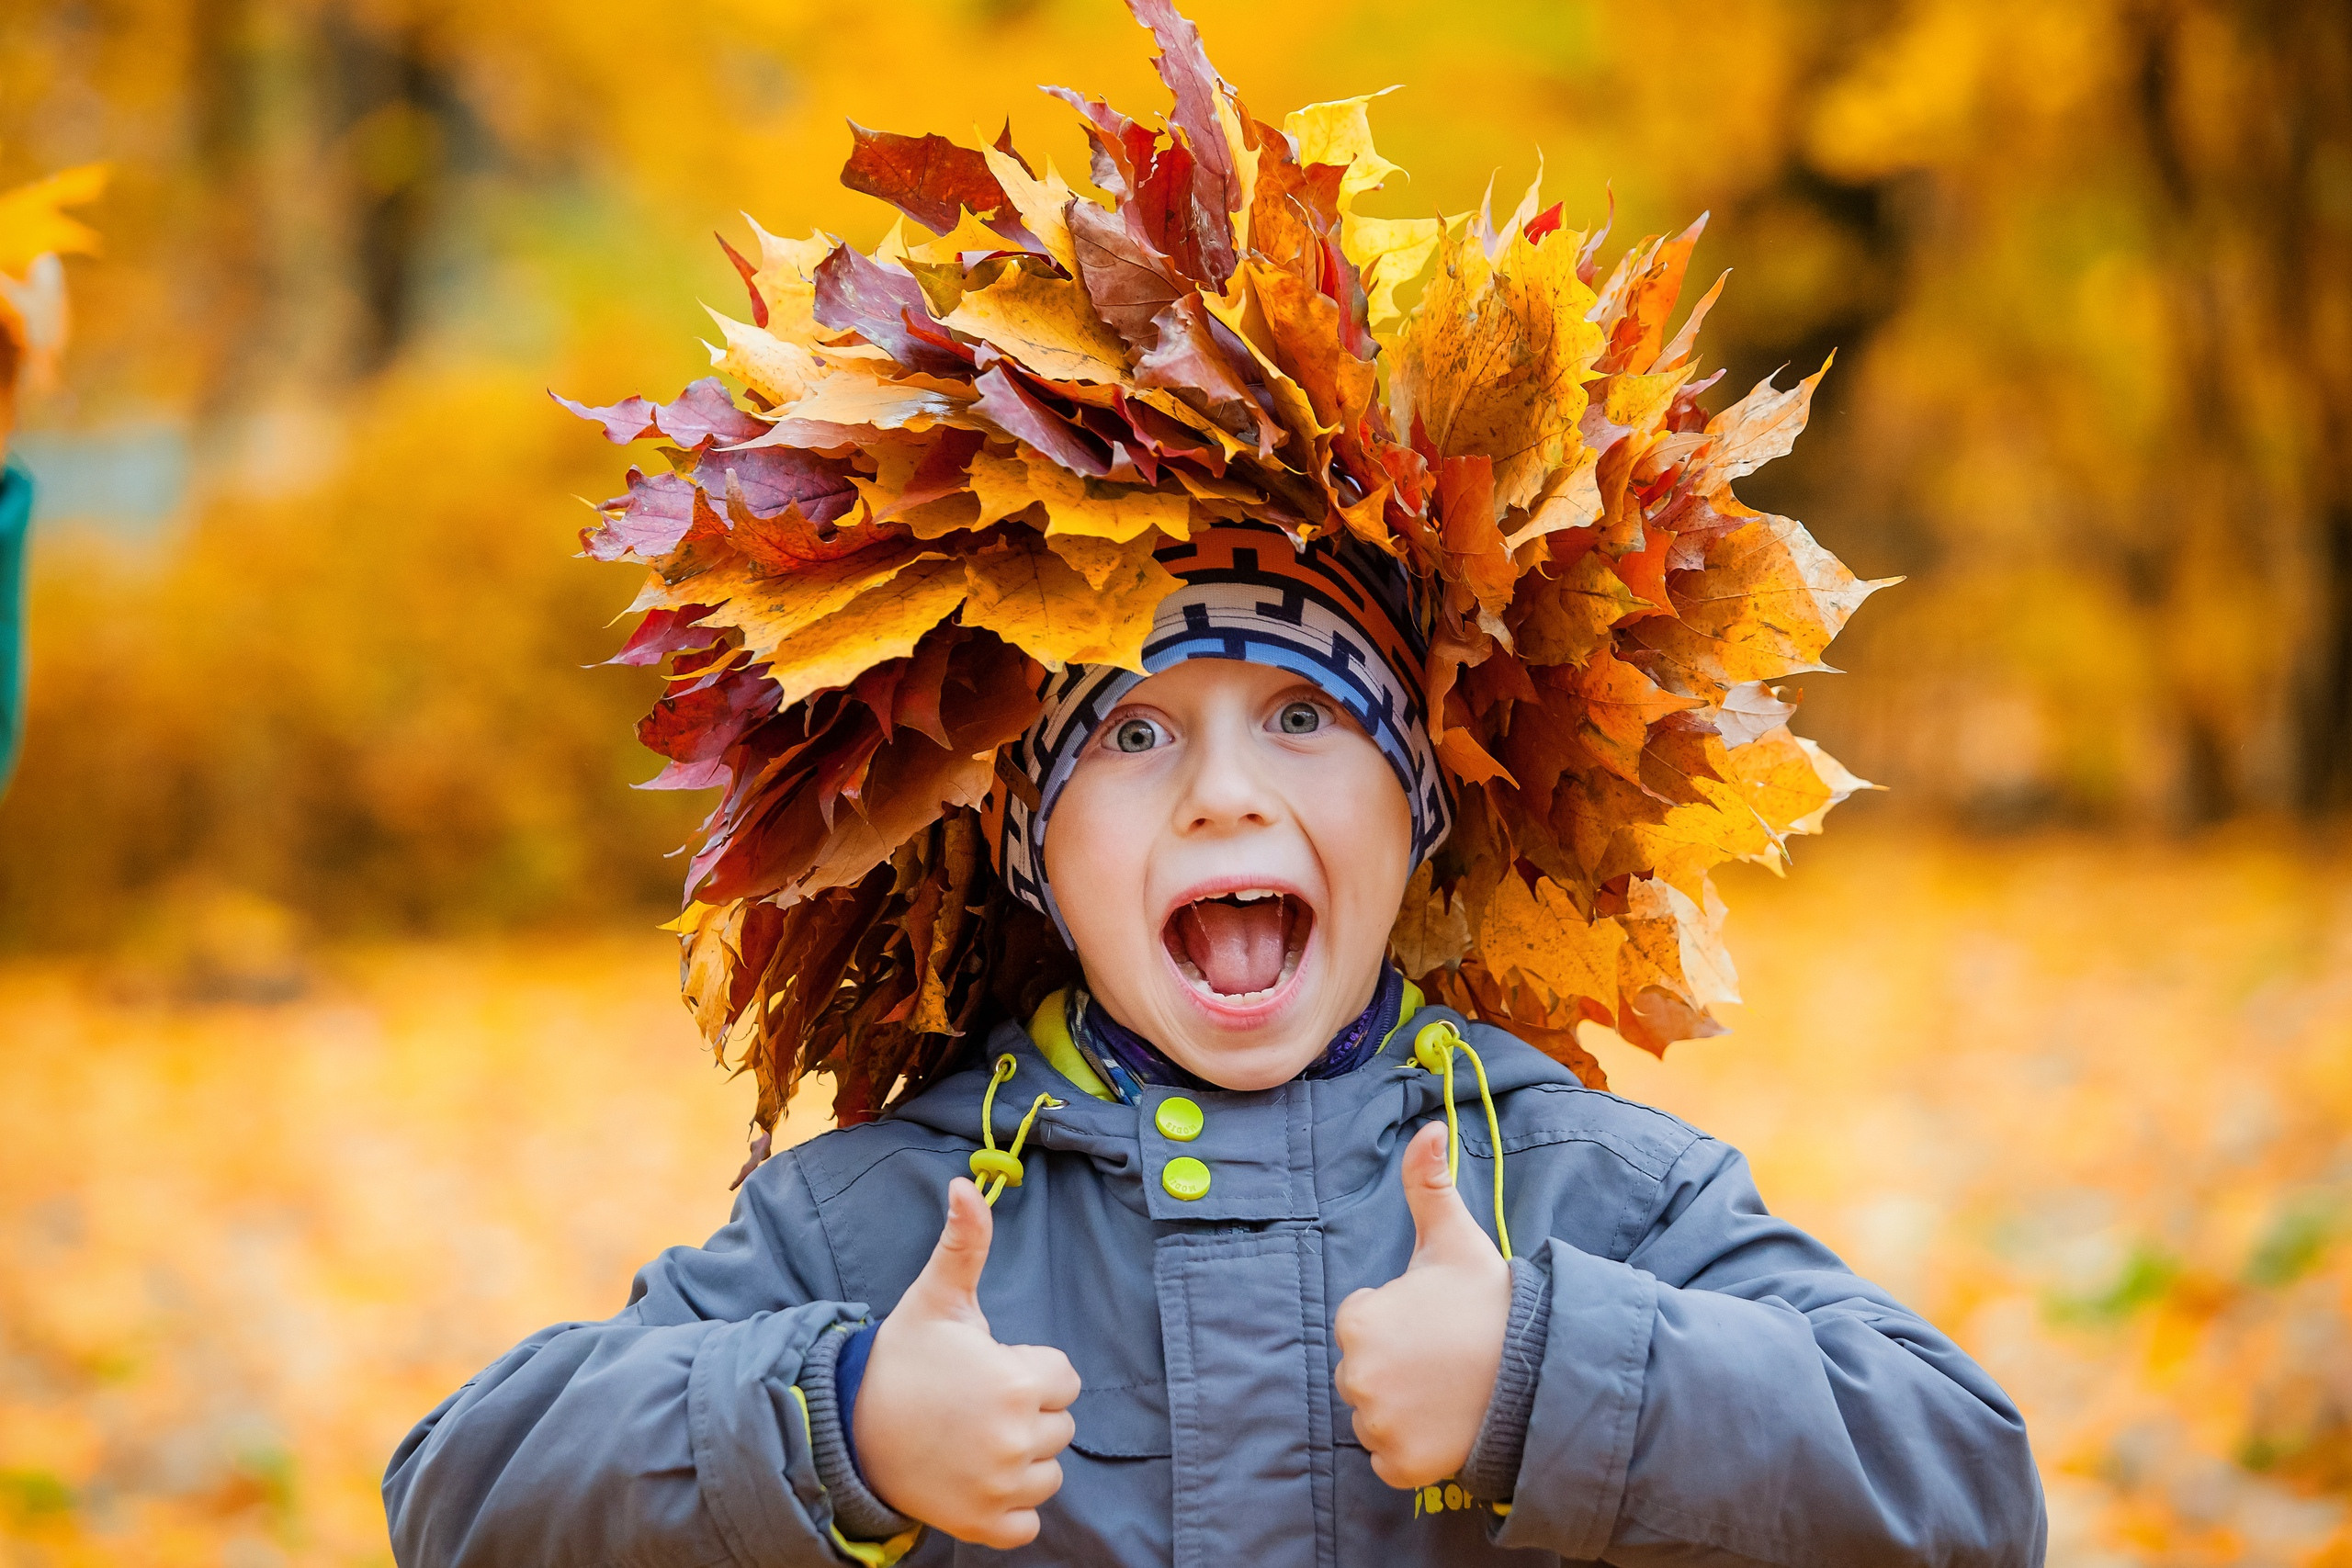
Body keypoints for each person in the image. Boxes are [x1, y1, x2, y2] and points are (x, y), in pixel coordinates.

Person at [384, 5, 2044, 1562]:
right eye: (1131, 736)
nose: (1227, 797)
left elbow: (1969, 1492)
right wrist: (841, 1425)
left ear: (1421, 809)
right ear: (1029, 850)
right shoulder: (891, 1223)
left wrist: (1552, 1373)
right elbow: (459, 1497)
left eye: (1307, 721)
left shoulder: (1573, 1189)